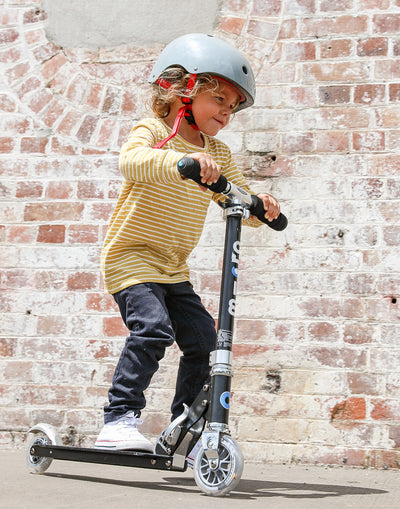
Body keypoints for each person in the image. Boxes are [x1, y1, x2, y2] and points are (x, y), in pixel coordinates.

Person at [94, 33, 280, 451]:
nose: (227, 112)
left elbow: (236, 197)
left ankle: (185, 430)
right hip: (130, 258)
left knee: (204, 343)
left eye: (233, 106)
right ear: (184, 90)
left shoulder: (218, 154)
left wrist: (260, 206)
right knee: (153, 329)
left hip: (172, 267)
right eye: (220, 100)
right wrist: (182, 161)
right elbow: (131, 161)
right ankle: (118, 419)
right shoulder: (155, 131)